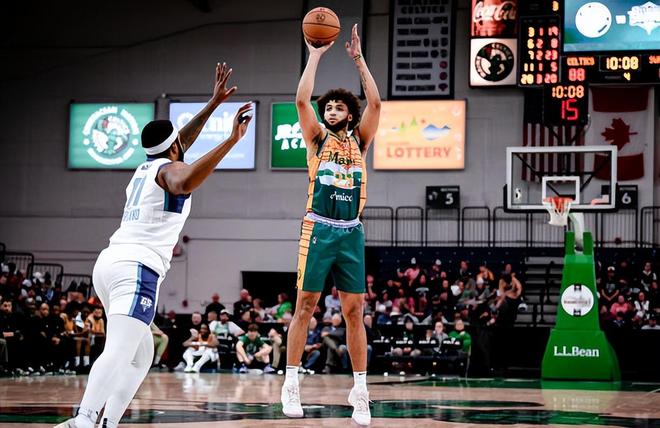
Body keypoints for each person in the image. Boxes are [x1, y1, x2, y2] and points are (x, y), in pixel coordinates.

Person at [57, 63, 253, 428]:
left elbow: (180, 144)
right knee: (120, 351)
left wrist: (212, 104)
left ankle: (107, 421)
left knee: (140, 354)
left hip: (111, 264)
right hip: (136, 267)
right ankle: (83, 420)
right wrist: (230, 141)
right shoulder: (170, 171)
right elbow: (184, 179)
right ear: (175, 147)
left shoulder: (146, 167)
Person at [281, 24, 381, 426]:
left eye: (339, 108)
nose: (331, 111)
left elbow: (376, 103)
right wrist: (316, 55)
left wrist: (358, 59)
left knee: (355, 312)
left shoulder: (360, 141)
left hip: (351, 230)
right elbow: (301, 99)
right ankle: (291, 382)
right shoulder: (317, 140)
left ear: (349, 114)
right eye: (329, 109)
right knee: (305, 305)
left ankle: (360, 390)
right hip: (319, 228)